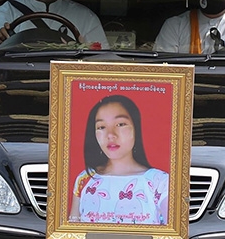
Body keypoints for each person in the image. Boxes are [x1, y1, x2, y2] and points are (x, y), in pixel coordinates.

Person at [69, 95, 168, 226]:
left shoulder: (159, 182)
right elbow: (73, 233)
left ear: (136, 128)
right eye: (101, 127)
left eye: (120, 124)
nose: (110, 135)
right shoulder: (85, 179)